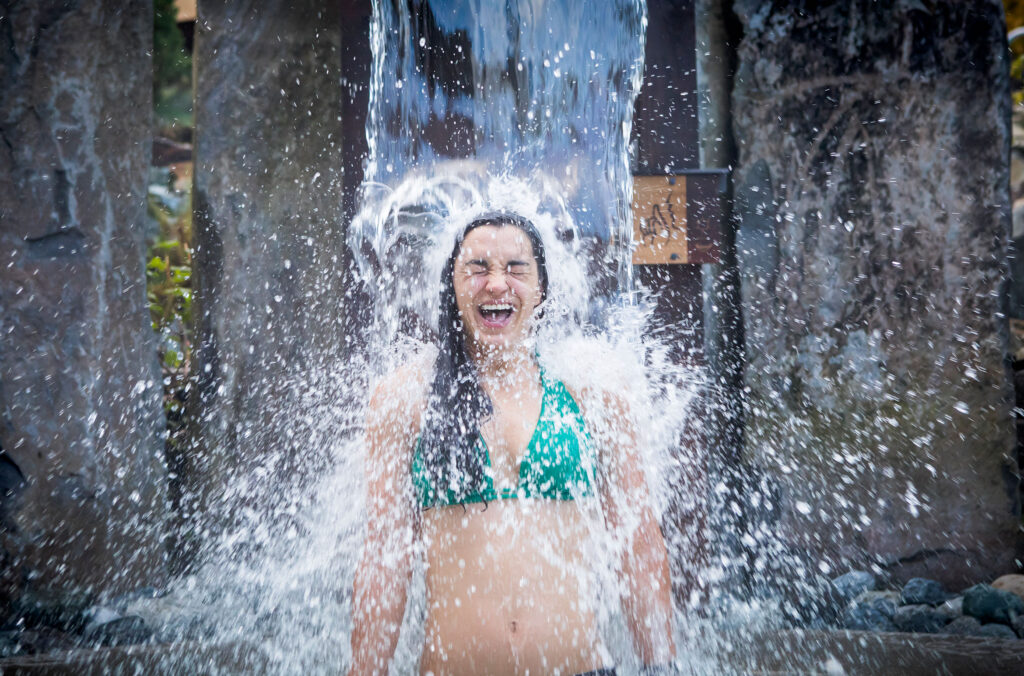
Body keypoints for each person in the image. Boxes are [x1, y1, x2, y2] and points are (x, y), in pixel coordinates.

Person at [350, 211, 678, 675]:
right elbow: (385, 555)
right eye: (478, 268)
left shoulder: (592, 390)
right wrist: (365, 670)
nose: (497, 284)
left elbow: (637, 539)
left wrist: (661, 665)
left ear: (541, 288)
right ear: (453, 285)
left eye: (517, 269)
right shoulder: (405, 397)